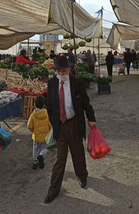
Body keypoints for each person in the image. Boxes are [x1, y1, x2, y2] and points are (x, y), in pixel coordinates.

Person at [44, 56, 96, 204]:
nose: (61, 74)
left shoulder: (77, 83)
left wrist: (91, 119)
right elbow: (50, 105)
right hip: (59, 125)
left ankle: (82, 176)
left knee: (77, 152)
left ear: (69, 69)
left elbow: (86, 103)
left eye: (63, 70)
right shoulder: (52, 83)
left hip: (73, 123)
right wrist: (52, 122)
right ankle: (53, 190)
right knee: (60, 158)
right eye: (58, 71)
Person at [27, 95, 51, 170]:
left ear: (35, 104)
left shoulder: (33, 115)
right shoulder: (47, 114)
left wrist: (33, 131)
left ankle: (35, 161)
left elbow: (29, 126)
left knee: (35, 149)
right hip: (45, 136)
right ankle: (41, 155)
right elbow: (50, 125)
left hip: (36, 136)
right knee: (44, 148)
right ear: (44, 105)